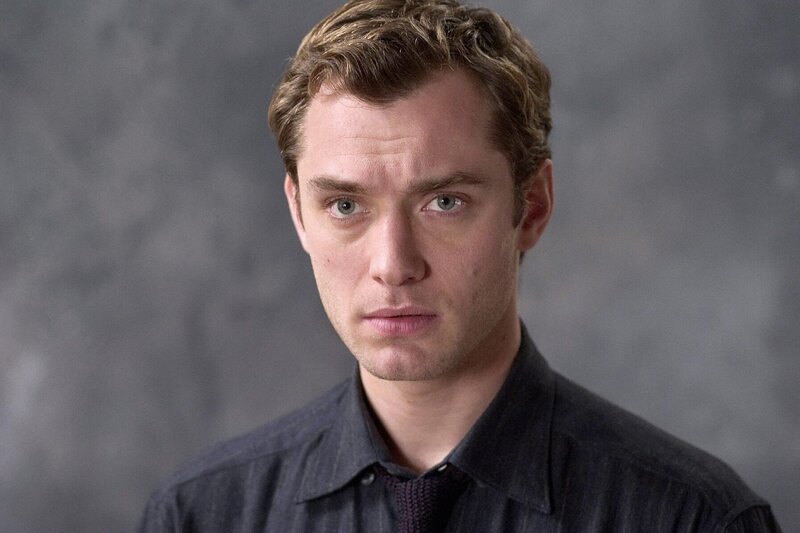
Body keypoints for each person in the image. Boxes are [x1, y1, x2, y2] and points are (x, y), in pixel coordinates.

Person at [138, 1, 782, 531]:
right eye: (345, 205)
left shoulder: (694, 519)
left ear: (531, 207)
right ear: (299, 215)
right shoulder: (201, 515)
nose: (393, 265)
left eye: (444, 202)